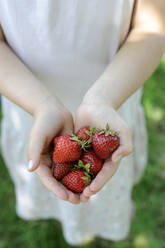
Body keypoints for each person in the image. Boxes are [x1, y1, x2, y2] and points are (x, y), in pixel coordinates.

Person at [0, 0, 164, 245]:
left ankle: (107, 213)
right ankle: (65, 216)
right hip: (29, 102)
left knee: (105, 183)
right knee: (53, 176)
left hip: (114, 94)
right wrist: (40, 104)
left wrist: (103, 99)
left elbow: (153, 26)